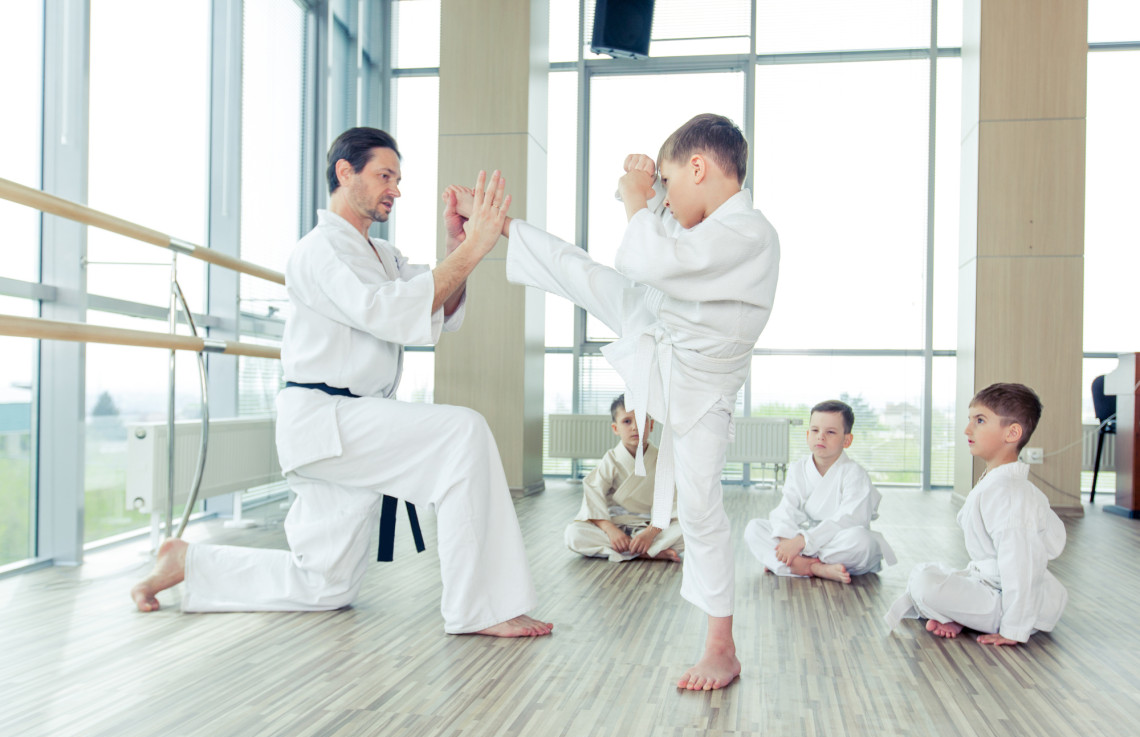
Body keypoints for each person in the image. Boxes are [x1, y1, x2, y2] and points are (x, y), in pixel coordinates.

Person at [131, 127, 552, 638]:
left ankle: (187, 563)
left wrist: (456, 246)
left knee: (323, 585)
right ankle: (482, 608)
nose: (394, 188)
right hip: (328, 420)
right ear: (344, 172)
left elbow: (437, 303)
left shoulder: (382, 255)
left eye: (397, 178)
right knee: (463, 433)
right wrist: (477, 248)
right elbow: (395, 313)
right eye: (384, 175)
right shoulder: (321, 250)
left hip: (349, 427)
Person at [449, 114, 779, 689]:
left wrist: (634, 197)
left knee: (700, 510)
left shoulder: (751, 230)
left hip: (700, 387)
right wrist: (649, 192)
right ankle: (502, 228)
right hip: (661, 334)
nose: (668, 203)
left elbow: (653, 258)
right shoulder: (700, 228)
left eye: (674, 186)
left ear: (698, 167)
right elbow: (652, 251)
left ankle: (720, 648)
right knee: (584, 275)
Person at [884, 383, 1067, 645]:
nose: (967, 429)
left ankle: (971, 617)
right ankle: (962, 616)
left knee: (925, 585)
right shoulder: (996, 482)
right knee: (926, 575)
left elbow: (1022, 567)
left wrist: (1012, 630)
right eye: (970, 420)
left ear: (1012, 432)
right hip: (990, 585)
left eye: (980, 420)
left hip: (1017, 605)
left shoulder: (1013, 495)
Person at [743, 400, 895, 583]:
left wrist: (802, 542)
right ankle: (815, 568)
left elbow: (849, 519)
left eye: (830, 432)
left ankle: (790, 565)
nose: (820, 437)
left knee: (863, 542)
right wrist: (785, 542)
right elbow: (787, 509)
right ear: (808, 435)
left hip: (835, 541)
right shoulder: (798, 468)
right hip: (799, 542)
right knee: (754, 529)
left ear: (847, 440)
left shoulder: (855, 474)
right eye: (815, 431)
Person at [566, 394, 685, 563]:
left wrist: (650, 534)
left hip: (651, 525)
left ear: (651, 425)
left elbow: (671, 503)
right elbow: (594, 496)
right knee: (574, 534)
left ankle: (639, 548)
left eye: (642, 420)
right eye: (627, 421)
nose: (636, 427)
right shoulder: (611, 459)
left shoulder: (663, 460)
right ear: (615, 428)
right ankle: (649, 552)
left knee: (687, 530)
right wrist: (611, 530)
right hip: (615, 523)